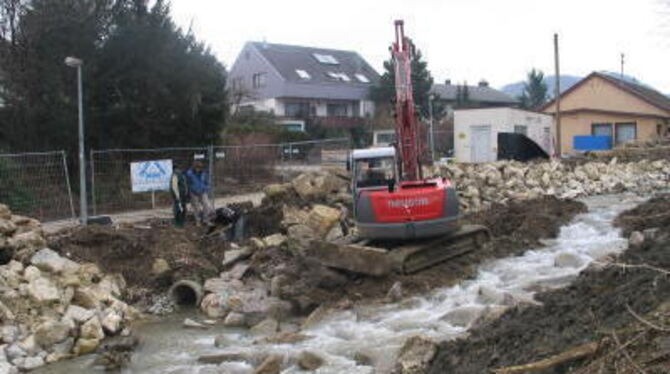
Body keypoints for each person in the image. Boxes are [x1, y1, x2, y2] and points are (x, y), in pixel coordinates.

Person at [185, 159, 214, 225]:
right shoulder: (189, 174)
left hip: (203, 191)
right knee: (196, 207)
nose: (198, 169)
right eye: (197, 168)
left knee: (207, 205)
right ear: (194, 168)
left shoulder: (204, 173)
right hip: (193, 192)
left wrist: (206, 187)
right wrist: (190, 190)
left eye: (199, 168)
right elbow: (187, 183)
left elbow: (207, 182)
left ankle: (206, 220)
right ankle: (198, 221)